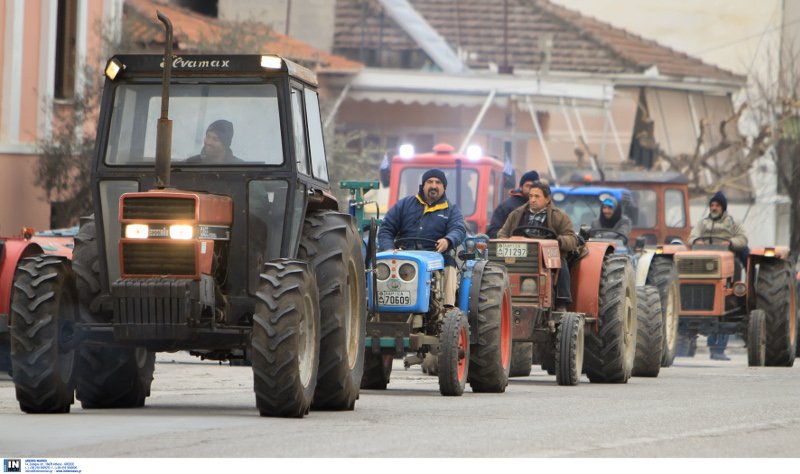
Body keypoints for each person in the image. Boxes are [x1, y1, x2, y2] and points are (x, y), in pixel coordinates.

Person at [378, 168, 467, 306]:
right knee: (379, 265)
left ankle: (447, 309)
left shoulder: (451, 209)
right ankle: (379, 305)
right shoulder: (405, 204)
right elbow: (386, 229)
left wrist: (448, 240)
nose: (433, 185)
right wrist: (389, 249)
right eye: (429, 182)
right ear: (423, 185)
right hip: (403, 255)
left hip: (435, 256)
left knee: (450, 264)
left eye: (438, 182)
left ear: (444, 187)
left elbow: (459, 229)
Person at [497, 181, 585, 311]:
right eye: (531, 196)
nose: (532, 200)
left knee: (561, 264)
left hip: (548, 257)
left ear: (548, 199)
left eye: (537, 196)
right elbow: (502, 234)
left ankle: (561, 302)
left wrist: (558, 242)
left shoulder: (560, 216)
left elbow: (571, 238)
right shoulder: (516, 214)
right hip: (519, 257)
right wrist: (508, 242)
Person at [689, 191, 749, 361]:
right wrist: (696, 241)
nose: (714, 208)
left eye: (717, 205)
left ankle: (717, 349)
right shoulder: (703, 222)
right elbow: (692, 236)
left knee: (728, 303)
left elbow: (743, 239)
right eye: (712, 205)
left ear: (723, 207)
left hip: (726, 260)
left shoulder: (732, 223)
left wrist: (730, 243)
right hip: (705, 261)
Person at [486, 170, 539, 238]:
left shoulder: (544, 208)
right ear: (521, 187)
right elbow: (492, 232)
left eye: (534, 186)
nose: (531, 190)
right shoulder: (505, 207)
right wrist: (510, 239)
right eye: (528, 186)